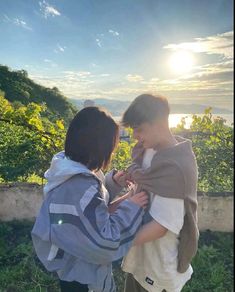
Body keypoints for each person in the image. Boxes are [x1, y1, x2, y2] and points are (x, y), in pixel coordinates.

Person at [31, 106, 148, 292]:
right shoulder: (78, 185)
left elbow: (90, 212)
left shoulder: (67, 169)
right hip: (83, 276)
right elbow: (103, 242)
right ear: (99, 147)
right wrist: (131, 207)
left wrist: (112, 185)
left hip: (74, 266)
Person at [120, 94, 199, 292]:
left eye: (139, 129)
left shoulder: (175, 166)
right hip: (140, 257)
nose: (135, 136)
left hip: (158, 267)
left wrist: (115, 241)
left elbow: (161, 226)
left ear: (158, 123)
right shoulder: (147, 150)